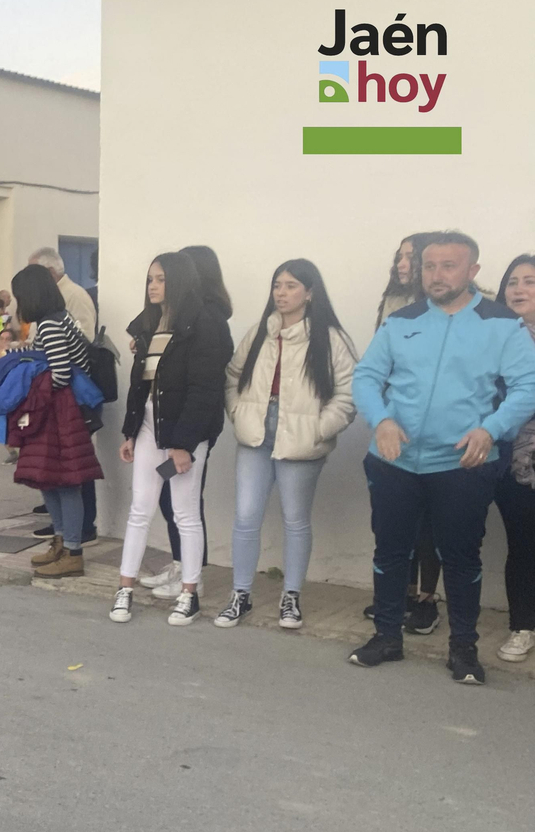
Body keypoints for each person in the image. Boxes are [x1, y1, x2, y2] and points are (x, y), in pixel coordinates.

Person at [349, 232, 535, 684]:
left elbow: (528, 386)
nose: (437, 275)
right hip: (394, 460)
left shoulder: (502, 324)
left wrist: (490, 429)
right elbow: (367, 376)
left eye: (449, 266)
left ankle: (463, 650)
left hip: (462, 463)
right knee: (391, 550)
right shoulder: (401, 320)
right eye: (429, 266)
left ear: (472, 271)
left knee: (461, 558)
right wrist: (381, 420)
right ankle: (387, 637)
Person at [216, 260, 356, 629]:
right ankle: (240, 594)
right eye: (277, 285)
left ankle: (291, 596)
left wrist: (319, 429)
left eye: (291, 285)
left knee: (296, 520)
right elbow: (232, 376)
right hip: (256, 434)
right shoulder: (260, 333)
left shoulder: (331, 338)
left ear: (310, 292)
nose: (281, 292)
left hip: (301, 439)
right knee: (246, 516)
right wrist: (238, 413)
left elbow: (349, 393)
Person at [109, 251, 232, 626]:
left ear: (178, 281)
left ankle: (189, 593)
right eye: (150, 279)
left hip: (184, 432)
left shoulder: (202, 323)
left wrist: (184, 445)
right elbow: (141, 384)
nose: (153, 286)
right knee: (141, 508)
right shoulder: (151, 323)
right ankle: (125, 588)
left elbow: (204, 390)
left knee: (185, 511)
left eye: (161, 279)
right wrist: (130, 431)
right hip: (150, 425)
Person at [1, 265, 100, 578]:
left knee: (63, 482)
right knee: (48, 479)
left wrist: (31, 397)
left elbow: (60, 374)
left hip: (58, 413)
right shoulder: (58, 319)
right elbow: (42, 354)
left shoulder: (50, 325)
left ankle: (72, 551)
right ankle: (61, 543)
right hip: (59, 411)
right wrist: (13, 350)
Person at [364, 233, 440, 633]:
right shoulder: (392, 303)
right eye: (400, 256)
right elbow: (376, 365)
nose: (402, 263)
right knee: (395, 518)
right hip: (392, 424)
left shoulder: (449, 306)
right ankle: (402, 593)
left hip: (434, 428)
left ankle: (428, 599)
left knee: (429, 523)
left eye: (411, 256)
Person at [493, 254, 535, 663]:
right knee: (522, 545)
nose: (519, 289)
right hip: (511, 460)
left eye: (530, 281)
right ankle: (523, 626)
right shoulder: (493, 338)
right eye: (512, 282)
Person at [29, 248, 98, 343]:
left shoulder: (75, 296)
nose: (29, 279)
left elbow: (85, 338)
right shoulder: (46, 295)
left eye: (32, 273)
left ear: (51, 272)